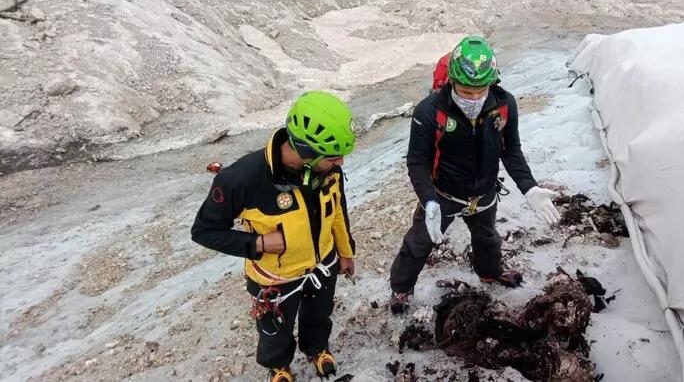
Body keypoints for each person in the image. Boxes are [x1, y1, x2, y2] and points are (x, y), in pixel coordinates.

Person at [191, 91, 357, 382]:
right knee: (274, 330)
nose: (340, 163)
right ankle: (278, 365)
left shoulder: (326, 172)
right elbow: (204, 231)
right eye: (333, 157)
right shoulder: (241, 179)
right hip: (274, 279)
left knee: (319, 314)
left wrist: (345, 252)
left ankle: (317, 348)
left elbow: (337, 210)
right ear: (306, 151)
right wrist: (258, 243)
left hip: (323, 265)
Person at [388, 36, 561, 314]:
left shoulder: (504, 105)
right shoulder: (429, 111)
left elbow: (511, 150)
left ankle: (490, 273)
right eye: (466, 91)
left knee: (487, 238)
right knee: (419, 241)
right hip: (442, 193)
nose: (474, 98)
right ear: (452, 82)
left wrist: (529, 188)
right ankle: (401, 288)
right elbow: (417, 161)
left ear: (492, 83)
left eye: (480, 91)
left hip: (483, 192)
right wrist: (428, 200)